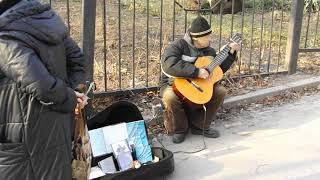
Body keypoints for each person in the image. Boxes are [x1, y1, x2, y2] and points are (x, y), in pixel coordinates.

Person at [0, 0, 88, 179]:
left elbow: (43, 86)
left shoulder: (5, 38)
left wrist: (71, 98)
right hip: (58, 125)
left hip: (26, 136)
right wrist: (73, 94)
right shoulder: (46, 19)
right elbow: (77, 60)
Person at [160, 16, 240, 143]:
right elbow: (168, 64)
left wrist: (231, 53)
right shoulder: (177, 46)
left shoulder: (209, 51)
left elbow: (218, 71)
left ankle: (200, 126)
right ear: (196, 38)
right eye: (207, 37)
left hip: (200, 85)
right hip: (173, 84)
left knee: (220, 91)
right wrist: (197, 71)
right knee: (169, 97)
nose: (210, 39)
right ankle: (180, 130)